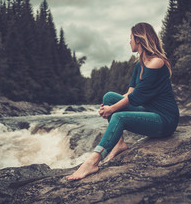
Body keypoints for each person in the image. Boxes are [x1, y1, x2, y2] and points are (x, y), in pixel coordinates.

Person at [66, 22, 179, 180]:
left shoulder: (156, 62)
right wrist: (110, 105)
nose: (129, 42)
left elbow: (137, 97)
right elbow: (129, 94)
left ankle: (92, 161)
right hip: (149, 111)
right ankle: (119, 143)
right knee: (109, 97)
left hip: (165, 119)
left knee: (120, 117)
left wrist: (112, 110)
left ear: (139, 40)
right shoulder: (138, 66)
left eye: (131, 38)